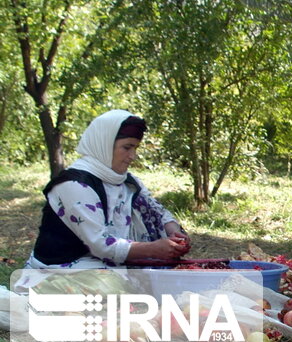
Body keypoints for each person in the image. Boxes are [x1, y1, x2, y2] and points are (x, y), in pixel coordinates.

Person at [26, 109, 191, 269]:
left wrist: (173, 231)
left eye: (135, 148)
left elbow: (156, 211)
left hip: (108, 264)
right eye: (127, 147)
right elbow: (100, 244)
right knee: (126, 294)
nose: (133, 156)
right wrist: (152, 249)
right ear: (104, 144)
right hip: (64, 266)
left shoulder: (128, 183)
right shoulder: (74, 185)